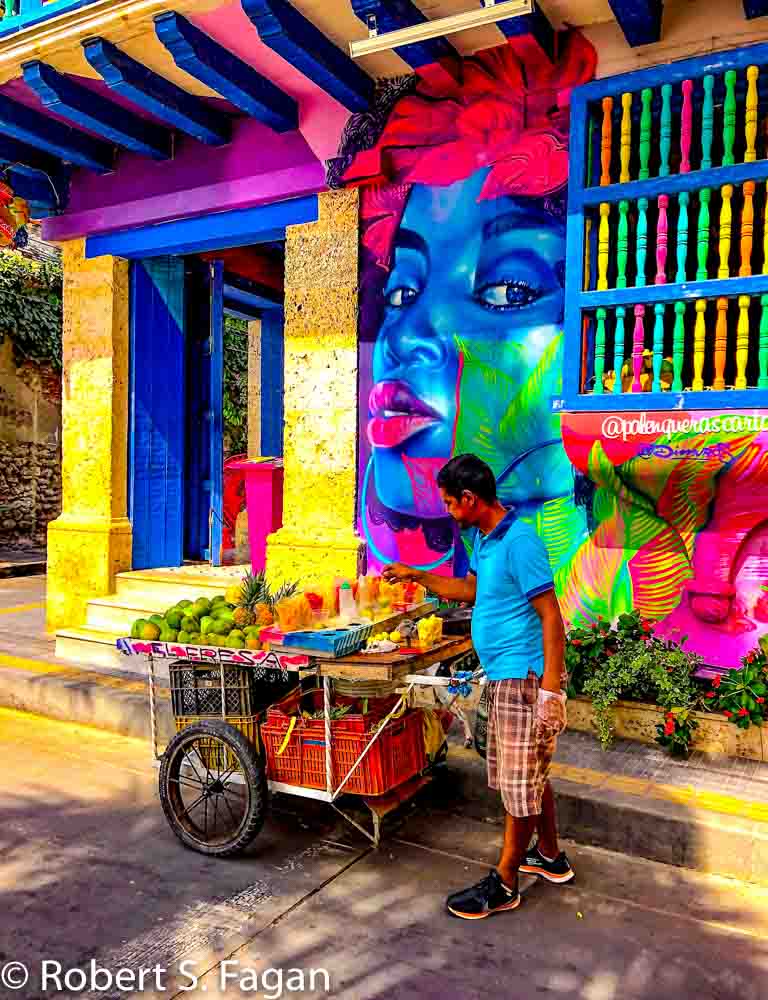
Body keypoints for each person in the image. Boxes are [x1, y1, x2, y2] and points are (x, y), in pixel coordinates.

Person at [383, 453, 574, 920]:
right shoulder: (485, 539)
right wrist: (419, 577)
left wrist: (550, 688)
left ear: (470, 499)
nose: (447, 510)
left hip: (523, 677)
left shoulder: (521, 541)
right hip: (504, 674)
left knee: (518, 781)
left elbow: (552, 615)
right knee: (529, 773)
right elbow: (472, 591)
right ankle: (548, 856)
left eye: (450, 502)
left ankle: (506, 882)